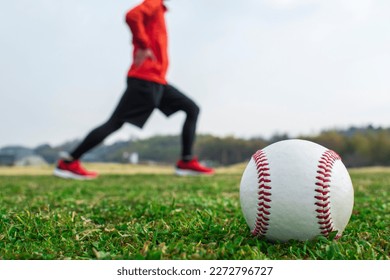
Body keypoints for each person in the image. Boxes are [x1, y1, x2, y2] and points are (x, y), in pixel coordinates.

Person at [53, 0, 214, 180]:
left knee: (192, 108)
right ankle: (68, 163)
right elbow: (132, 16)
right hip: (145, 79)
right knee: (115, 122)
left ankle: (186, 161)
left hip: (157, 81)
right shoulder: (153, 2)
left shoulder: (160, 9)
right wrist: (144, 45)